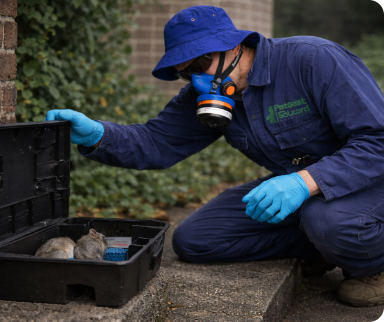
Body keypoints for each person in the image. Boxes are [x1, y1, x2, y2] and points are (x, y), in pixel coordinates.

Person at [45, 6, 384, 307]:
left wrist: (305, 182)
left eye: (201, 63)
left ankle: (374, 269)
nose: (196, 79)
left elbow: (378, 140)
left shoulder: (313, 60)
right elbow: (156, 141)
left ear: (235, 45)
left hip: (367, 182)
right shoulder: (204, 95)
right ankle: (319, 247)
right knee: (197, 240)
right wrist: (98, 134)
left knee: (328, 220)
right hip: (302, 189)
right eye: (184, 72)